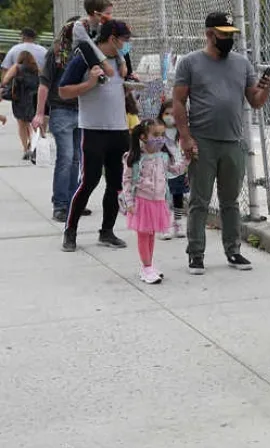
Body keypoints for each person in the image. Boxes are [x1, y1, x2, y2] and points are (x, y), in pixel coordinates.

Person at [173, 11, 270, 275]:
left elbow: (255, 101)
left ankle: (233, 250)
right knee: (199, 201)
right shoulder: (190, 63)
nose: (229, 39)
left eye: (231, 34)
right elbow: (178, 101)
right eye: (223, 34)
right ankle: (196, 254)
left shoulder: (242, 64)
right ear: (209, 34)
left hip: (233, 142)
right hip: (202, 142)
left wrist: (264, 89)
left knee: (230, 201)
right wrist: (185, 137)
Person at [59, 20, 133, 252]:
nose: (127, 45)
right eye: (124, 40)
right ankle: (70, 230)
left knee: (116, 183)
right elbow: (63, 91)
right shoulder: (84, 58)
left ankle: (107, 231)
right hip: (93, 130)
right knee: (89, 181)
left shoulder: (122, 59)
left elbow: (121, 85)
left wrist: (131, 86)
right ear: (112, 38)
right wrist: (90, 83)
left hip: (119, 129)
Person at [34, 17, 89, 222]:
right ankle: (60, 204)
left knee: (76, 158)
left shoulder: (86, 52)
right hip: (62, 110)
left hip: (81, 111)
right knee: (65, 158)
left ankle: (73, 201)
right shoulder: (56, 53)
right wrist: (40, 113)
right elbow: (44, 84)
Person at [121, 119, 188, 284]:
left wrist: (187, 160)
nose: (160, 139)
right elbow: (127, 181)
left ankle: (148, 266)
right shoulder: (134, 157)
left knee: (151, 235)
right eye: (156, 135)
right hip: (141, 202)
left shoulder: (163, 157)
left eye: (162, 135)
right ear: (143, 137)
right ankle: (146, 267)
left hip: (158, 202)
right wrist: (129, 202)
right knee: (144, 235)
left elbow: (174, 170)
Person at [73, 0, 135, 81]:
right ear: (97, 14)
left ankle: (129, 74)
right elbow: (91, 45)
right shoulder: (80, 26)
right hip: (84, 52)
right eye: (108, 14)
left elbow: (116, 43)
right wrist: (105, 63)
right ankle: (100, 75)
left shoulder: (102, 24)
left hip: (97, 48)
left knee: (122, 42)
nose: (110, 17)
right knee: (86, 47)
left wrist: (122, 62)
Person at [157, 100, 188, 239]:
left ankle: (178, 223)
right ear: (161, 114)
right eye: (167, 113)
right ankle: (164, 225)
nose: (170, 117)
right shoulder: (158, 131)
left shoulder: (181, 131)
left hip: (178, 169)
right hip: (162, 171)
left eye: (173, 114)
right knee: (164, 199)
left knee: (178, 197)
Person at [3, 50, 40, 159]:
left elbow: (5, 80)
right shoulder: (37, 69)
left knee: (22, 124)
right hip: (34, 99)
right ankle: (33, 145)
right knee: (33, 124)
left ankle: (25, 149)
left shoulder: (17, 67)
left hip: (19, 99)